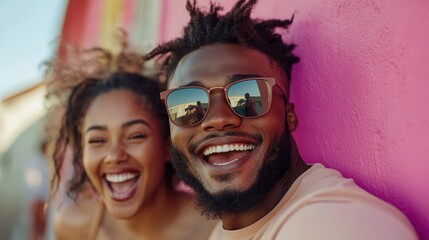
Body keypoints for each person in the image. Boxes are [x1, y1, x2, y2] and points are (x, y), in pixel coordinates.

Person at [144, 0, 418, 239]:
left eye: (248, 95)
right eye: (188, 104)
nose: (218, 119)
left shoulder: (335, 224)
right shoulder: (225, 232)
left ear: (288, 114)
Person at [47, 47, 216, 239]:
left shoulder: (216, 229)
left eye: (135, 136)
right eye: (97, 140)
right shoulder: (75, 225)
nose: (114, 156)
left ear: (169, 147)